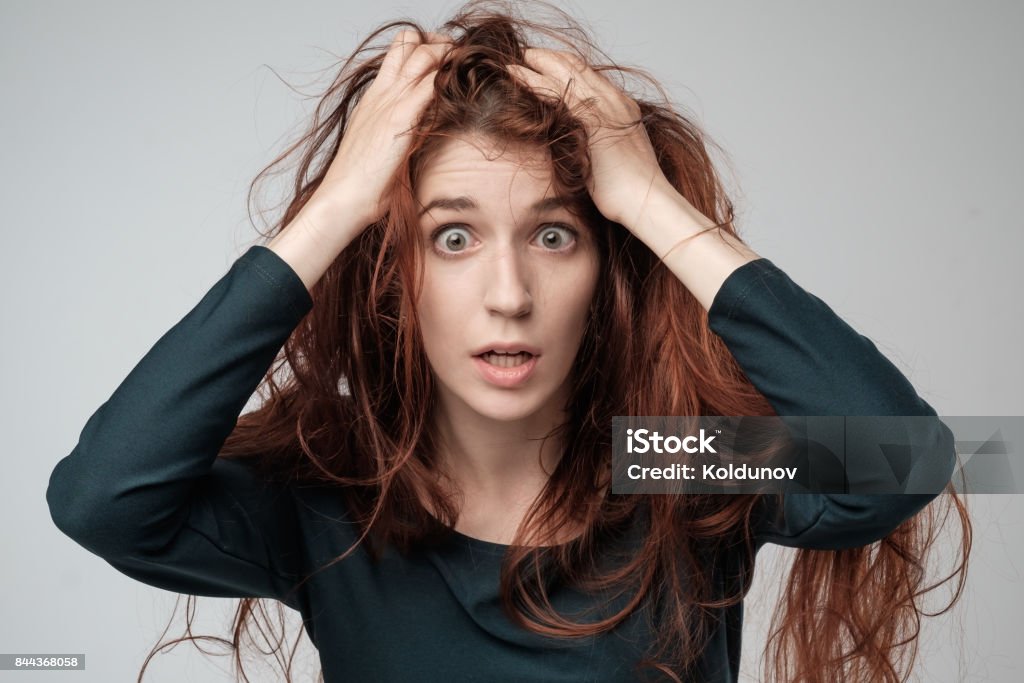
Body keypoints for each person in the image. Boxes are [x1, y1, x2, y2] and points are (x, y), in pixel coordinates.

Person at [46, 1, 971, 681]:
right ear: (391, 272)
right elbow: (100, 500)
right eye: (453, 237)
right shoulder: (334, 496)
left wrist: (650, 201)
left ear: (606, 265)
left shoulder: (668, 461)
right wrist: (333, 209)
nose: (509, 295)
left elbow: (904, 454)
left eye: (554, 234)